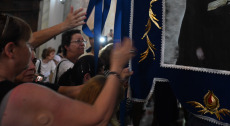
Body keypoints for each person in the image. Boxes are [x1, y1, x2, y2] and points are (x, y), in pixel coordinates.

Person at [0, 13, 135, 125]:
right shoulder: (23, 94)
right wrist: (116, 67)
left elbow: (78, 91)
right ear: (11, 50)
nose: (31, 50)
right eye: (28, 45)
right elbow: (96, 116)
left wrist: (117, 80)